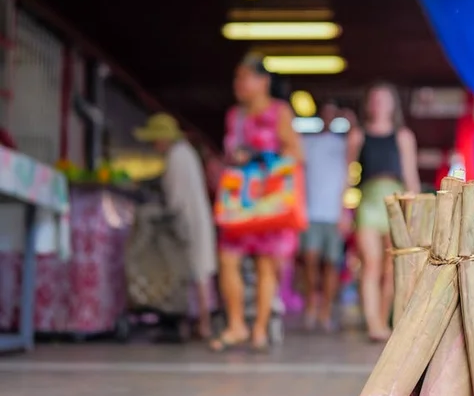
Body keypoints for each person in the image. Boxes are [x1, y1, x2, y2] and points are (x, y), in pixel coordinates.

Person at [211, 53, 303, 352]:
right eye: (236, 78)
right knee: (227, 259)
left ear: (263, 81)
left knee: (266, 265)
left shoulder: (280, 112)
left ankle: (260, 329)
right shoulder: (234, 116)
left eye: (244, 77)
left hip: (269, 199)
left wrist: (262, 159)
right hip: (240, 199)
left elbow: (295, 154)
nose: (238, 84)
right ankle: (236, 324)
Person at [348, 83, 421, 342]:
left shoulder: (403, 136)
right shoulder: (358, 135)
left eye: (384, 99)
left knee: (392, 267)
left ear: (393, 104)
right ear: (368, 103)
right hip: (368, 203)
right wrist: (342, 211)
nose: (379, 103)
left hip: (396, 202)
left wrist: (414, 211)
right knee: (370, 264)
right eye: (375, 99)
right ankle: (373, 324)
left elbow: (411, 176)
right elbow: (348, 176)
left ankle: (384, 319)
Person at [134, 113, 217, 339]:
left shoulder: (177, 156)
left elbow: (176, 198)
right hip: (193, 218)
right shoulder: (184, 152)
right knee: (199, 271)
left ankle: (203, 323)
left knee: (196, 271)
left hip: (187, 222)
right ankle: (202, 321)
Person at [301, 101, 349, 332]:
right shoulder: (307, 142)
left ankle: (326, 309)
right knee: (310, 261)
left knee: (331, 264)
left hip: (334, 214)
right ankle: (312, 300)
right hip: (310, 212)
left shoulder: (345, 144)